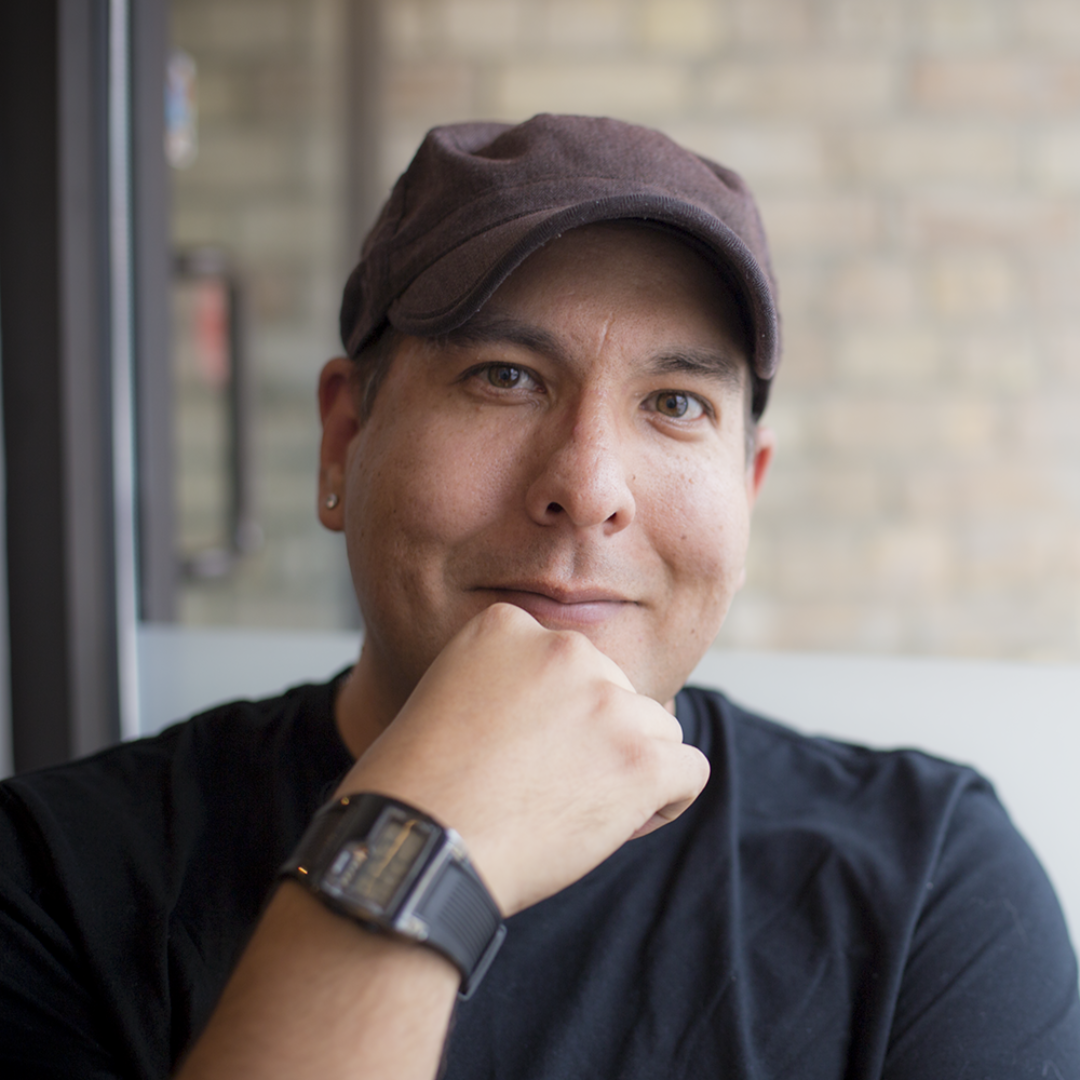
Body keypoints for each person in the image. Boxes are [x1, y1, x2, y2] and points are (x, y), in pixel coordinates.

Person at [1, 114, 1077, 1080]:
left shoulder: (929, 883)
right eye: (504, 377)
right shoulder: (57, 876)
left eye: (674, 402)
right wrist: (419, 834)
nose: (589, 488)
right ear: (343, 440)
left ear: (746, 493)